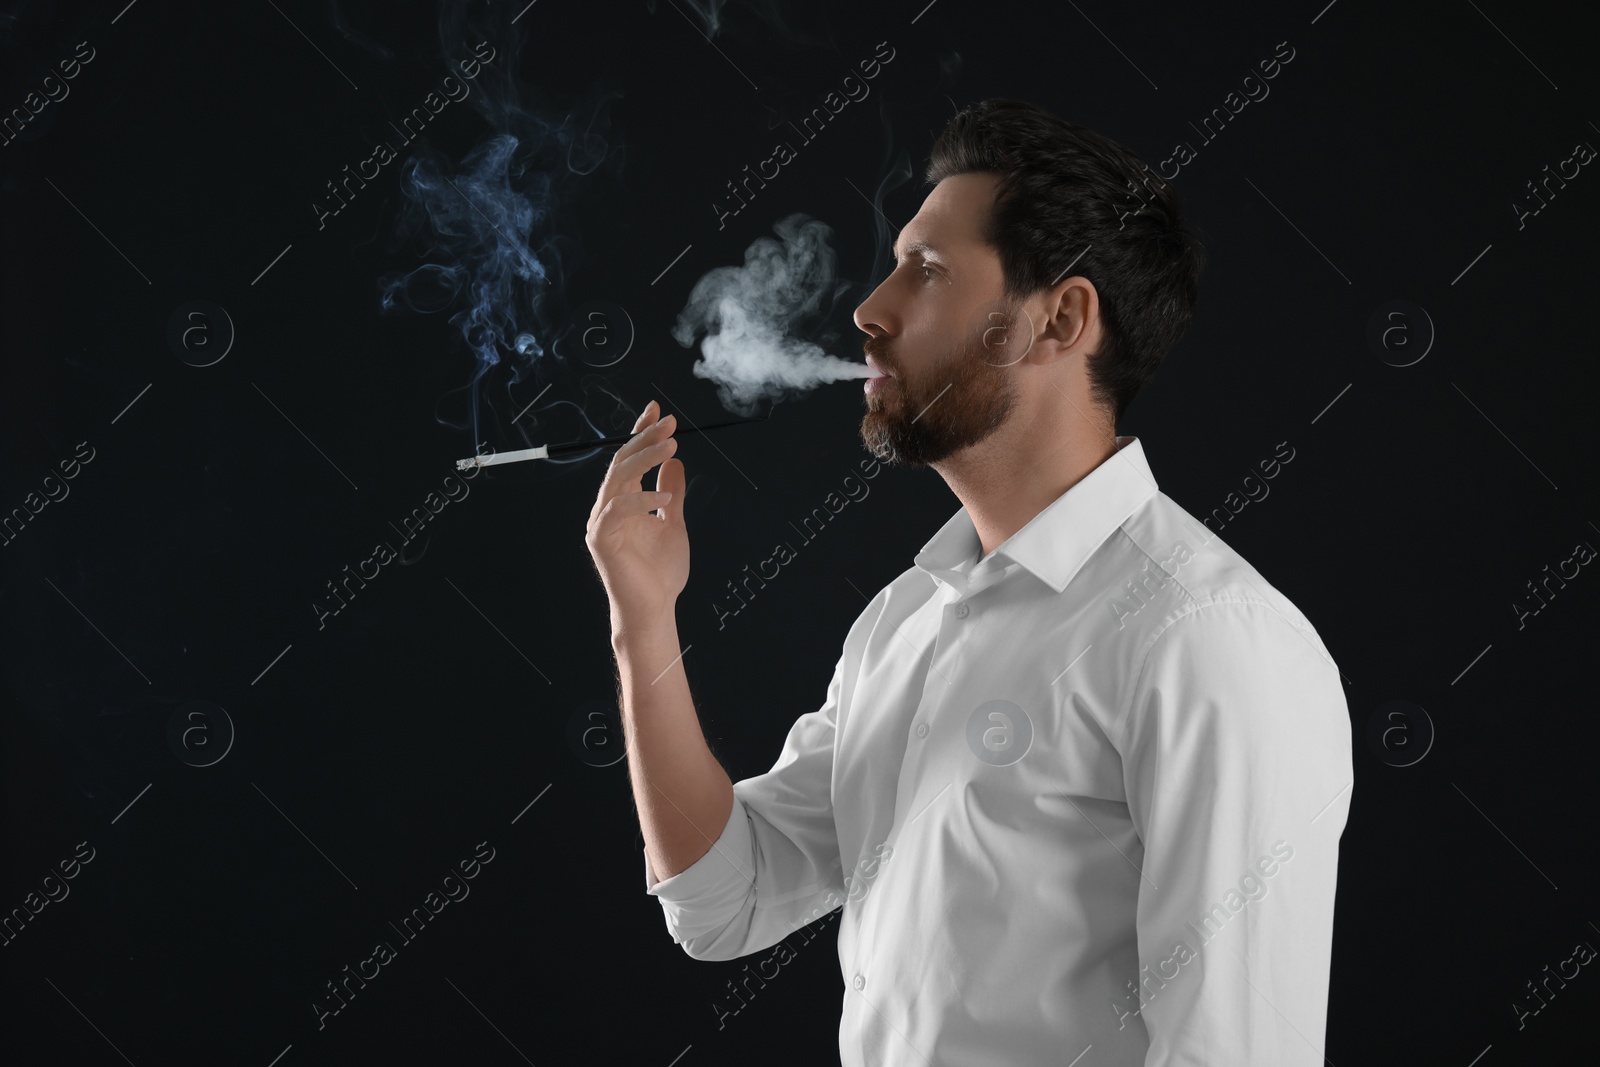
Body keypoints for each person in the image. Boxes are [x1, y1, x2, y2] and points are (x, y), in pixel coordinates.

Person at [585, 98, 1352, 1067]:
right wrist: (642, 618)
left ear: (1061, 318)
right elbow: (722, 900)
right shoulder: (905, 620)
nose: (870, 309)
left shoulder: (1205, 635)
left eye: (929, 270)